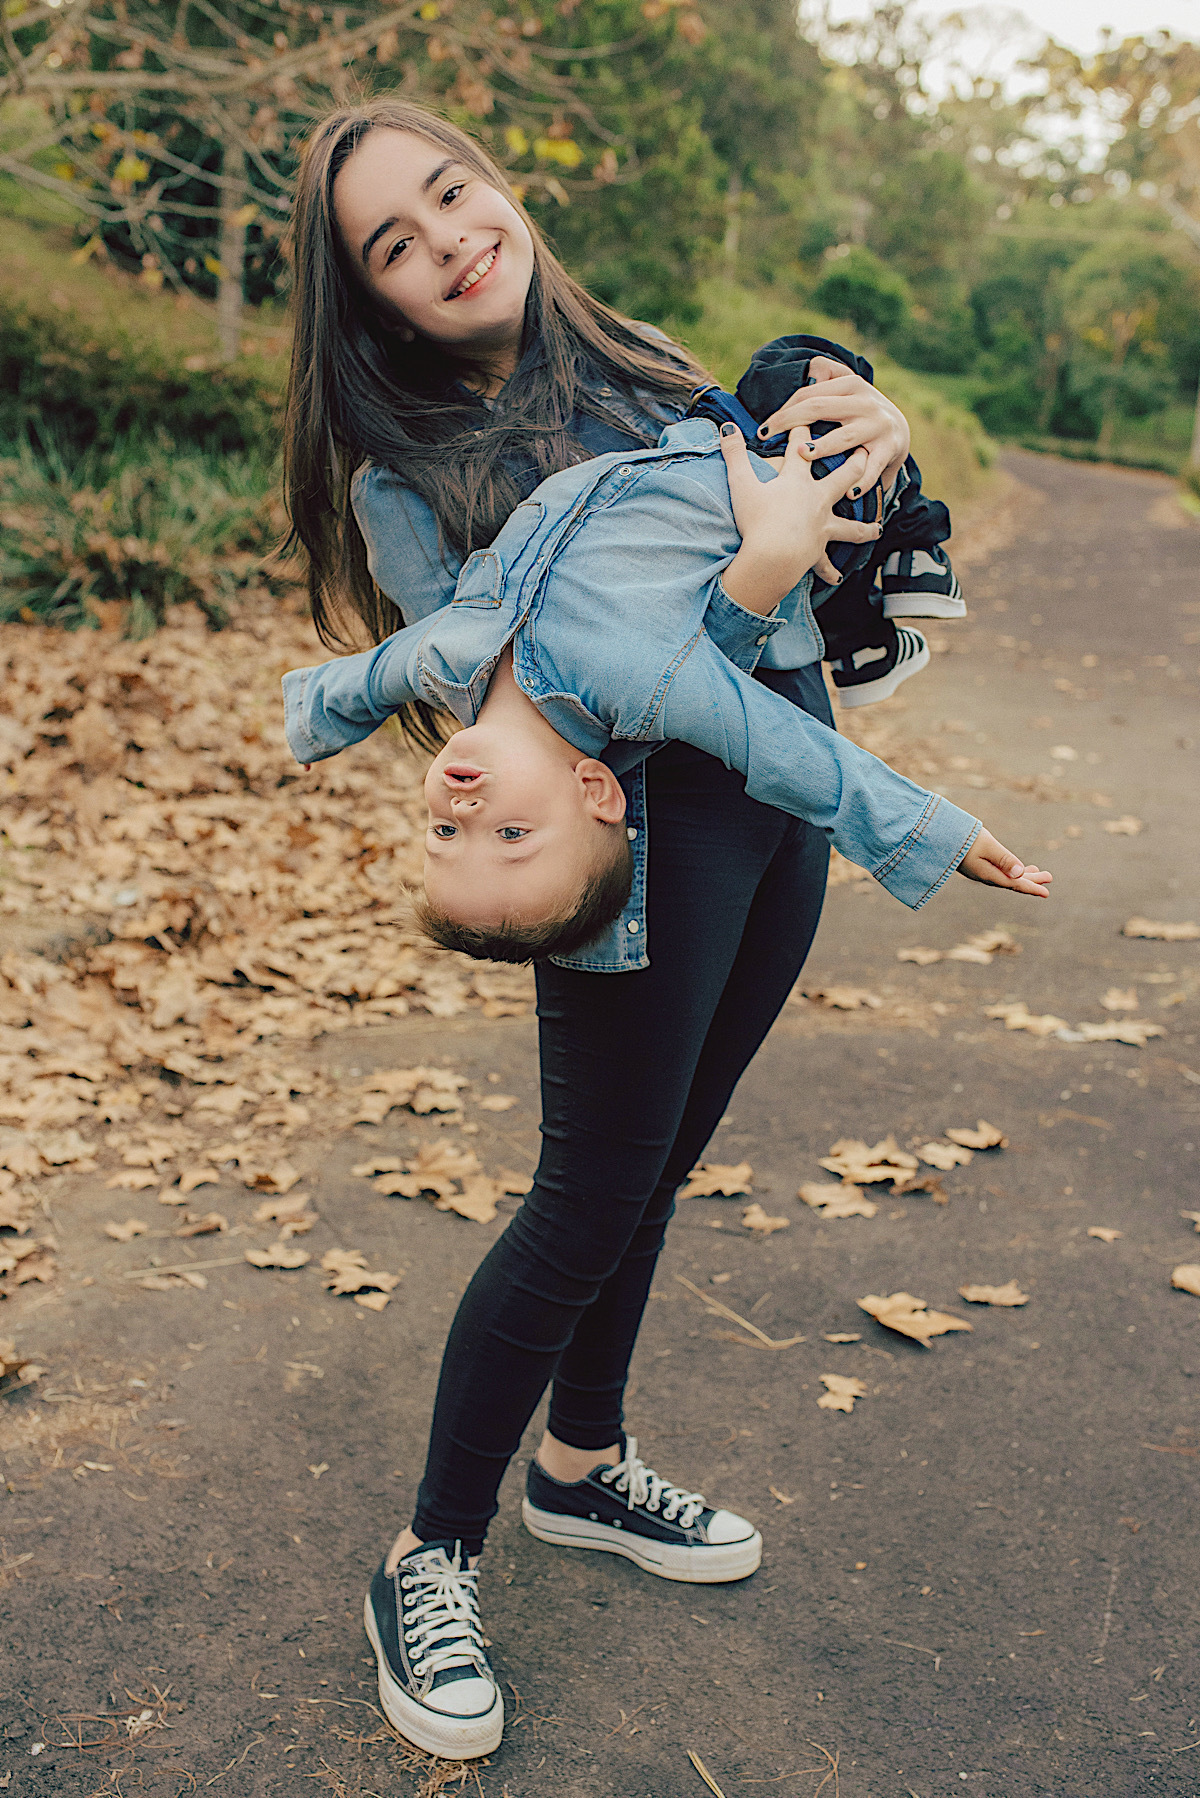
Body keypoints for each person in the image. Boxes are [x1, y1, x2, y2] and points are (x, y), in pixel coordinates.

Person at [281, 96, 1037, 1763]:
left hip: (779, 796)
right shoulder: (410, 477)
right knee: (585, 1197)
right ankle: (430, 1550)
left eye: (453, 194)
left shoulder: (645, 361)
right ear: (372, 300)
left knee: (660, 1166)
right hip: (631, 839)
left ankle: (580, 1464)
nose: (447, 241)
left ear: (502, 186)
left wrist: (875, 433)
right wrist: (753, 581)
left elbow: (794, 534)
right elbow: (531, 697)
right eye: (393, 243)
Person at [283, 418, 1050, 964]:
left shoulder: (443, 668)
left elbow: (367, 679)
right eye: (510, 835)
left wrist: (312, 723)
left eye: (443, 836)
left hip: (677, 437)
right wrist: (933, 837)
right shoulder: (647, 688)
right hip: (769, 472)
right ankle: (901, 564)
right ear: (596, 790)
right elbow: (789, 752)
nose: (464, 812)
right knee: (808, 373)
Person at [688, 331, 966, 707]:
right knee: (816, 367)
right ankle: (912, 557)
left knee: (843, 400)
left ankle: (862, 645)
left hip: (762, 566)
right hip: (801, 509)